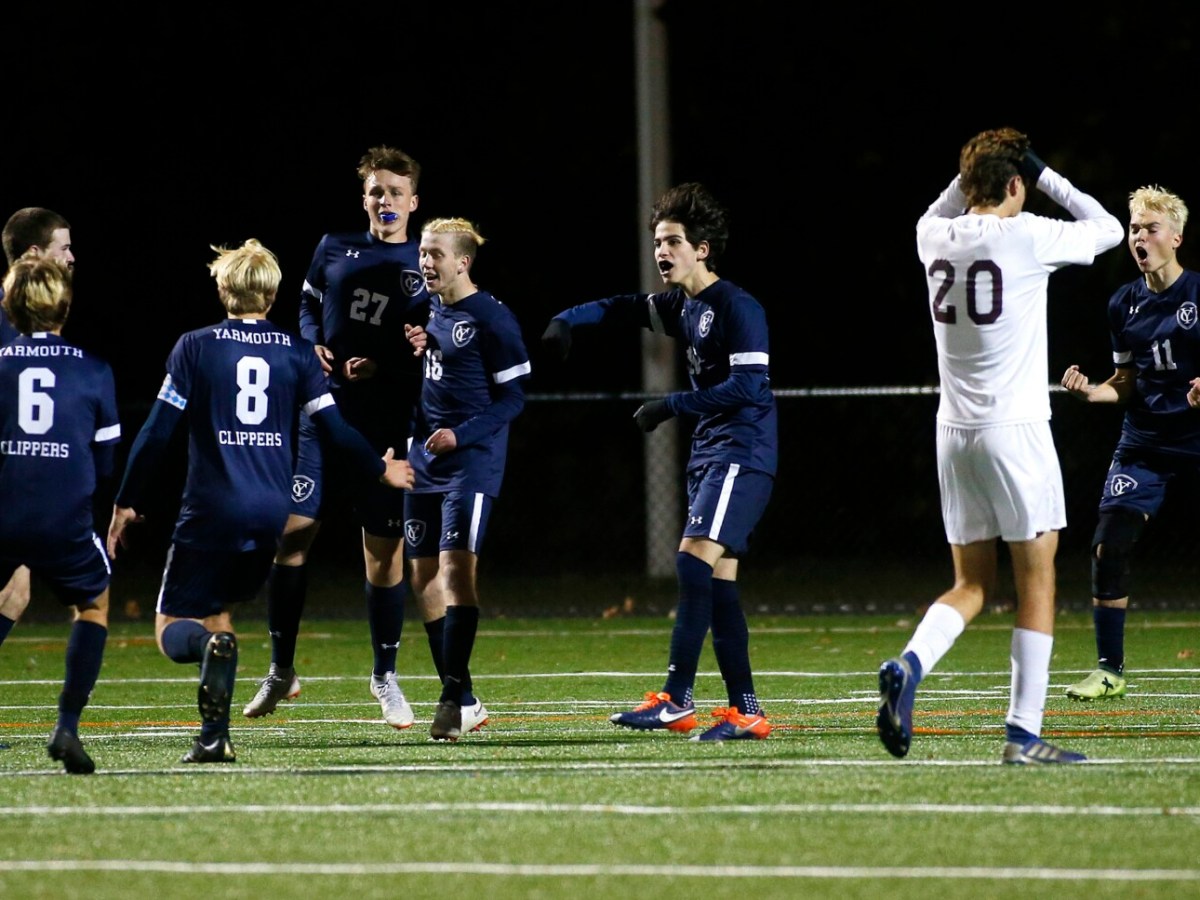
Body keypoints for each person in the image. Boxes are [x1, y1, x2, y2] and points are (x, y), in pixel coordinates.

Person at [107, 239, 413, 764]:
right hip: (271, 513)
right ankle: (214, 735)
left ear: (223, 289)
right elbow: (336, 430)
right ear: (271, 295)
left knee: (173, 627)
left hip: (210, 509)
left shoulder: (195, 347)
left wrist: (126, 500)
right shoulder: (296, 352)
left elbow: (157, 432)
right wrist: (380, 467)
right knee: (219, 613)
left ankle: (212, 666)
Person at [875, 127, 1123, 765]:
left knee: (972, 583)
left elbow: (942, 206)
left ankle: (910, 664)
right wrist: (1042, 172)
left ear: (966, 186)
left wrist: (977, 170)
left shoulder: (933, 235)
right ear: (1015, 184)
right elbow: (1108, 228)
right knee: (1037, 581)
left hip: (954, 433)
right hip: (1015, 431)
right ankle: (1022, 733)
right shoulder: (1027, 234)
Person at [541, 182, 778, 742]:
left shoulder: (737, 306)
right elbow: (624, 307)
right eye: (657, 242)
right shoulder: (682, 306)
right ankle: (746, 711)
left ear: (703, 249)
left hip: (741, 452)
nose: (661, 252)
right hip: (712, 453)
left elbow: (748, 387)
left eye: (673, 241)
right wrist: (567, 319)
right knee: (718, 582)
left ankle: (676, 699)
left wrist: (670, 405)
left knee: (692, 563)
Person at [241, 146, 448, 730]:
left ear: (414, 201)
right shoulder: (333, 246)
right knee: (291, 534)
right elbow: (308, 304)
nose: (386, 200)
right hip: (324, 413)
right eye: (376, 191)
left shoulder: (425, 260)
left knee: (383, 553)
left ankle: (385, 676)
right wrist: (312, 343)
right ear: (364, 198)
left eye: (396, 192)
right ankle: (281, 669)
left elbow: (433, 343)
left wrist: (391, 364)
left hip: (387, 424)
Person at [1061, 185, 1197, 701]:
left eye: (1151, 228)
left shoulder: (1198, 294)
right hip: (1145, 442)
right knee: (1108, 545)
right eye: (1135, 229)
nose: (1140, 237)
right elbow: (1123, 382)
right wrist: (1091, 392)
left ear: (1176, 237)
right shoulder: (1123, 303)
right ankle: (1109, 670)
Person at [403, 217, 529, 740]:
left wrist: (462, 434)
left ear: (463, 262)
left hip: (471, 462)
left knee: (456, 574)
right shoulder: (426, 308)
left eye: (435, 254)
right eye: (423, 252)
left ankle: (451, 698)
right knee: (422, 578)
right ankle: (467, 697)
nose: (425, 262)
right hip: (422, 459)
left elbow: (514, 398)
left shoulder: (492, 318)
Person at [0, 255, 120, 773]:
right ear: (65, 306)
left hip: (4, 511)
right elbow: (106, 461)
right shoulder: (93, 369)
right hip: (63, 517)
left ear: (10, 306)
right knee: (93, 605)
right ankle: (67, 726)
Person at [0, 207, 77, 650]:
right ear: (34, 252)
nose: (71, 257)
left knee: (16, 594)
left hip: (20, 490)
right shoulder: (9, 316)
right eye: (63, 247)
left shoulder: (35, 318)